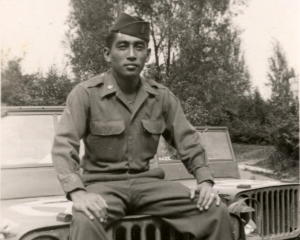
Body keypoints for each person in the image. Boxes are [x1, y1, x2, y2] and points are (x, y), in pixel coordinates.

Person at [52, 12, 234, 240]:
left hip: (149, 186)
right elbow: (63, 146)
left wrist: (205, 181)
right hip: (102, 186)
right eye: (122, 47)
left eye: (138, 47)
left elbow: (188, 141)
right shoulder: (85, 94)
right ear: (108, 54)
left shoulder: (161, 97)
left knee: (215, 211)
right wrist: (77, 192)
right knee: (85, 218)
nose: (131, 55)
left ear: (147, 55)